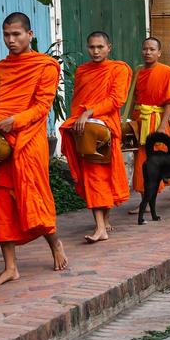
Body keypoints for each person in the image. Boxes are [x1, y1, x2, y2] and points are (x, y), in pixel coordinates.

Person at [0, 13, 68, 288]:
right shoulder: (2, 67)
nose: (11, 40)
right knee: (1, 199)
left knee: (33, 195)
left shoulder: (46, 65)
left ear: (30, 34)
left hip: (28, 138)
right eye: (6, 35)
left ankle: (55, 243)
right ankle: (10, 267)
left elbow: (42, 106)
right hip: (0, 138)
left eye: (16, 34)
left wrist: (15, 121)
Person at [60, 31, 131, 242]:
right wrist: (77, 119)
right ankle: (101, 225)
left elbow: (116, 99)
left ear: (109, 47)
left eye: (100, 47)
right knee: (94, 176)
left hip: (105, 127)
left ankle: (102, 227)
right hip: (87, 130)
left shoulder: (118, 69)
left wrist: (89, 112)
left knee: (102, 176)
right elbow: (77, 100)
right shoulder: (83, 71)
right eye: (92, 47)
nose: (96, 51)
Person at [128, 37, 170, 214]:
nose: (147, 52)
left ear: (159, 53)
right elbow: (134, 98)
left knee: (165, 159)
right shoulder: (138, 71)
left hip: (158, 120)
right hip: (141, 121)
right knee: (142, 161)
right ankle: (145, 199)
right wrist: (129, 119)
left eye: (151, 49)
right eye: (145, 49)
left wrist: (161, 127)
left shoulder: (166, 72)